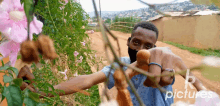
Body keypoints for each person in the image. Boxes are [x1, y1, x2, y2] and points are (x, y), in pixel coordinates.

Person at [18, 22, 206, 106]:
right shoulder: (121, 64)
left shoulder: (160, 63)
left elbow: (184, 74)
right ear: (128, 42)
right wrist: (41, 92)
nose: (140, 48)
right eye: (136, 42)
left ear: (154, 48)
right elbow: (86, 80)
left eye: (148, 45)